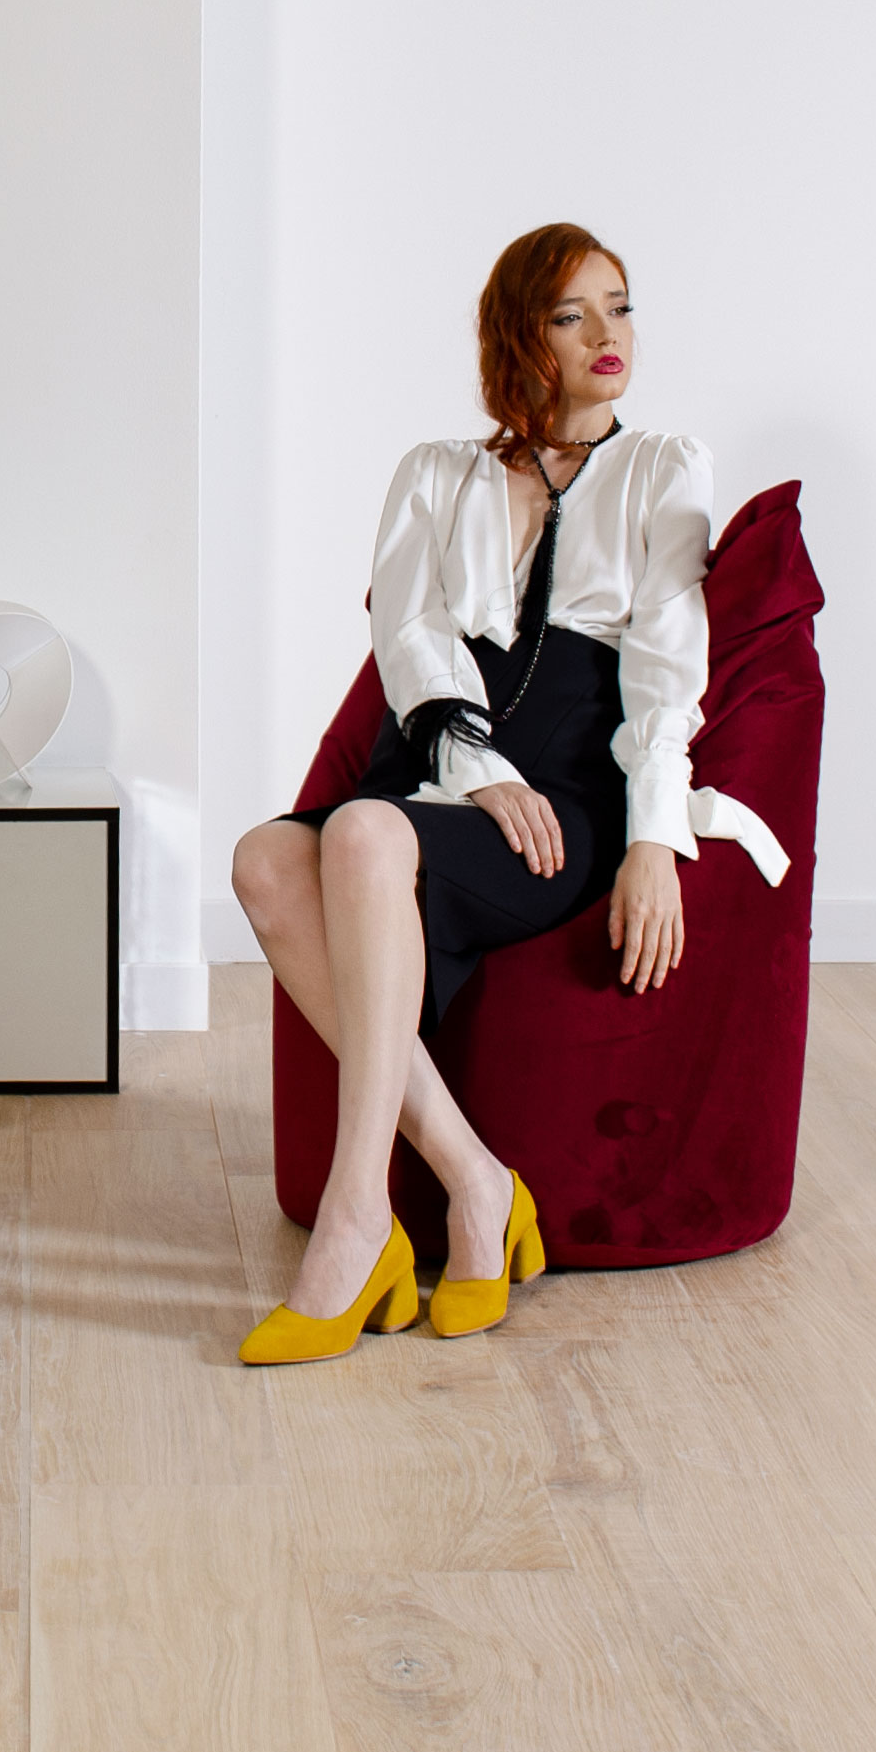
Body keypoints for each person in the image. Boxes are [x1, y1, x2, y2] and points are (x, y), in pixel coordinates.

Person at [229, 222, 727, 1364]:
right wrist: (476, 770)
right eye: (570, 314)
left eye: (620, 306)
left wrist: (654, 840)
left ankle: (357, 1219)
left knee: (362, 835)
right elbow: (408, 636)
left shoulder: (664, 467)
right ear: (519, 336)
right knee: (264, 858)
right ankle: (477, 1183)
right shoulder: (436, 472)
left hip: (565, 791)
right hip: (445, 764)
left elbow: (668, 663)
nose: (606, 335)